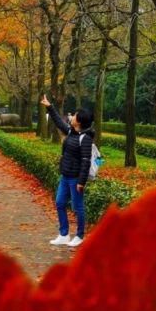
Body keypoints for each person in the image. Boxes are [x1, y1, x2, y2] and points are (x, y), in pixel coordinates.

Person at [40, 93, 93, 248]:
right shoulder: (71, 132)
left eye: (75, 116)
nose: (73, 117)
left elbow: (86, 162)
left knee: (78, 207)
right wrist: (50, 107)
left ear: (80, 121)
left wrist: (81, 182)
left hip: (76, 178)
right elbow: (58, 122)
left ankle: (80, 235)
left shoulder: (86, 139)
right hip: (65, 175)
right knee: (60, 203)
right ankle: (64, 234)